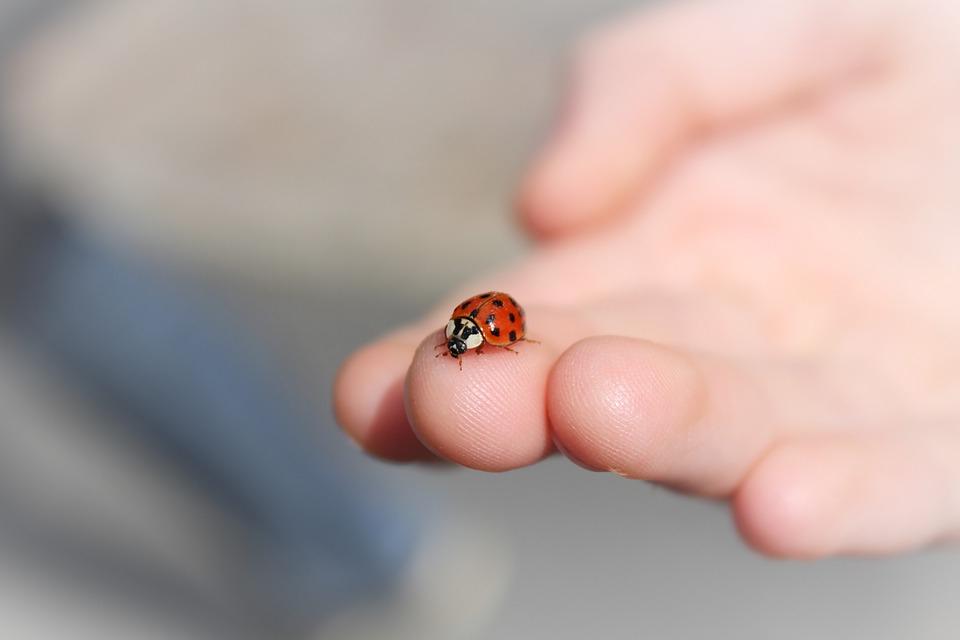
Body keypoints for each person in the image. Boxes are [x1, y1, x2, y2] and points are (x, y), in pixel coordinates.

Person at [335, 0, 960, 559]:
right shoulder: (480, 327)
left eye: (468, 340)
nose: (464, 344)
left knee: (602, 391)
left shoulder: (486, 326)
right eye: (469, 342)